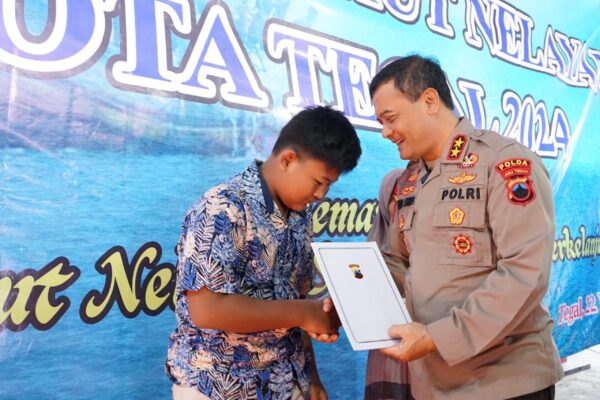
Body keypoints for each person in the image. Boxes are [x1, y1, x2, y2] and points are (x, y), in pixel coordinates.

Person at [367, 55, 564, 400]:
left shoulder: (503, 163)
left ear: (429, 101)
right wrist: (350, 297)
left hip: (504, 383)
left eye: (390, 118)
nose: (385, 132)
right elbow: (397, 264)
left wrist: (438, 338)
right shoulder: (408, 182)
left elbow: (524, 272)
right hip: (432, 383)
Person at [165, 105, 362, 400]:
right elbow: (206, 309)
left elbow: (299, 302)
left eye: (329, 185)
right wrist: (303, 313)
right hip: (217, 384)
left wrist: (312, 378)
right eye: (319, 182)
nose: (321, 194)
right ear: (287, 160)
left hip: (285, 380)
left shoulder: (300, 219)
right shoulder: (223, 207)